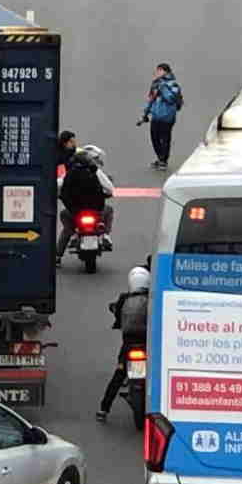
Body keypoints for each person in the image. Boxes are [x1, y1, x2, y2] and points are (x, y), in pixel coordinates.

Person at [97, 263, 151, 423]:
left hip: (129, 344)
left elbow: (117, 317)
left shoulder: (123, 298)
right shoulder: (152, 298)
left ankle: (103, 409)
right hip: (147, 343)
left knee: (119, 374)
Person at [55, 146, 115, 264]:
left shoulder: (70, 173)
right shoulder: (96, 172)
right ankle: (106, 235)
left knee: (67, 226)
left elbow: (59, 188)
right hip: (96, 210)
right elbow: (109, 189)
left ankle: (58, 255)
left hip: (75, 212)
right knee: (109, 210)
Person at [141, 63, 182, 170]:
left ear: (166, 72)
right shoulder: (155, 84)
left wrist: (162, 88)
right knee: (154, 138)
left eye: (160, 70)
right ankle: (160, 158)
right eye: (157, 70)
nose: (157, 72)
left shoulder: (173, 85)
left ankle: (163, 161)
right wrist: (145, 114)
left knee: (165, 138)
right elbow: (151, 100)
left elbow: (170, 99)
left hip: (167, 117)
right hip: (156, 115)